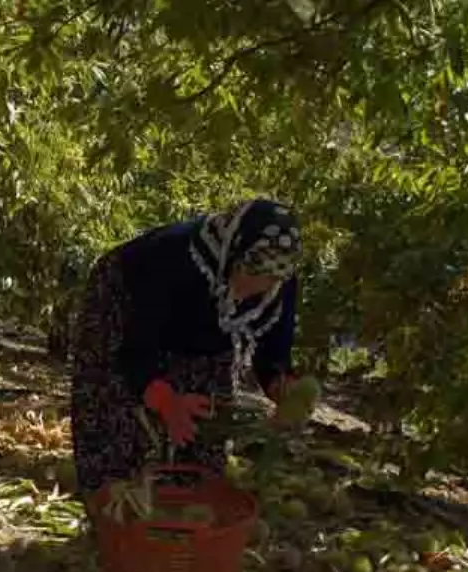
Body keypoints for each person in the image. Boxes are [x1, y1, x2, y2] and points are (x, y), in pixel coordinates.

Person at [70, 199, 308, 508]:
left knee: (209, 416)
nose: (256, 289)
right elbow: (136, 348)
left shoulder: (280, 281)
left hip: (206, 326)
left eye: (269, 282)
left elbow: (274, 350)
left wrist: (284, 391)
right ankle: (113, 504)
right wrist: (165, 400)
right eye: (251, 274)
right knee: (115, 406)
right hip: (124, 300)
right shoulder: (174, 258)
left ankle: (188, 502)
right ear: (233, 254)